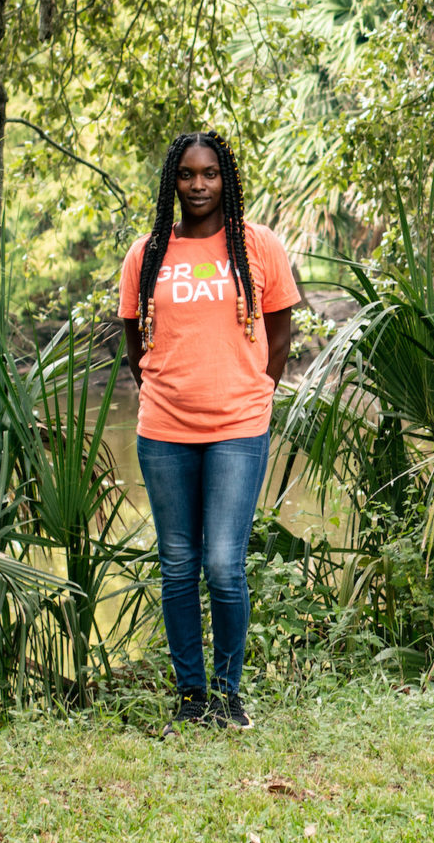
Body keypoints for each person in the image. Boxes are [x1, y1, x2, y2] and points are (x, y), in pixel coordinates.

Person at [119, 131, 299, 736]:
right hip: (164, 430)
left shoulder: (257, 246)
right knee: (177, 565)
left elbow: (280, 333)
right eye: (188, 175)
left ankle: (229, 693)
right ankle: (191, 695)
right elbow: (132, 341)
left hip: (238, 429)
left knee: (223, 565)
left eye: (210, 174)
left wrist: (257, 392)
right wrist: (160, 389)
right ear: (173, 180)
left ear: (228, 180)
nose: (198, 185)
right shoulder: (147, 253)